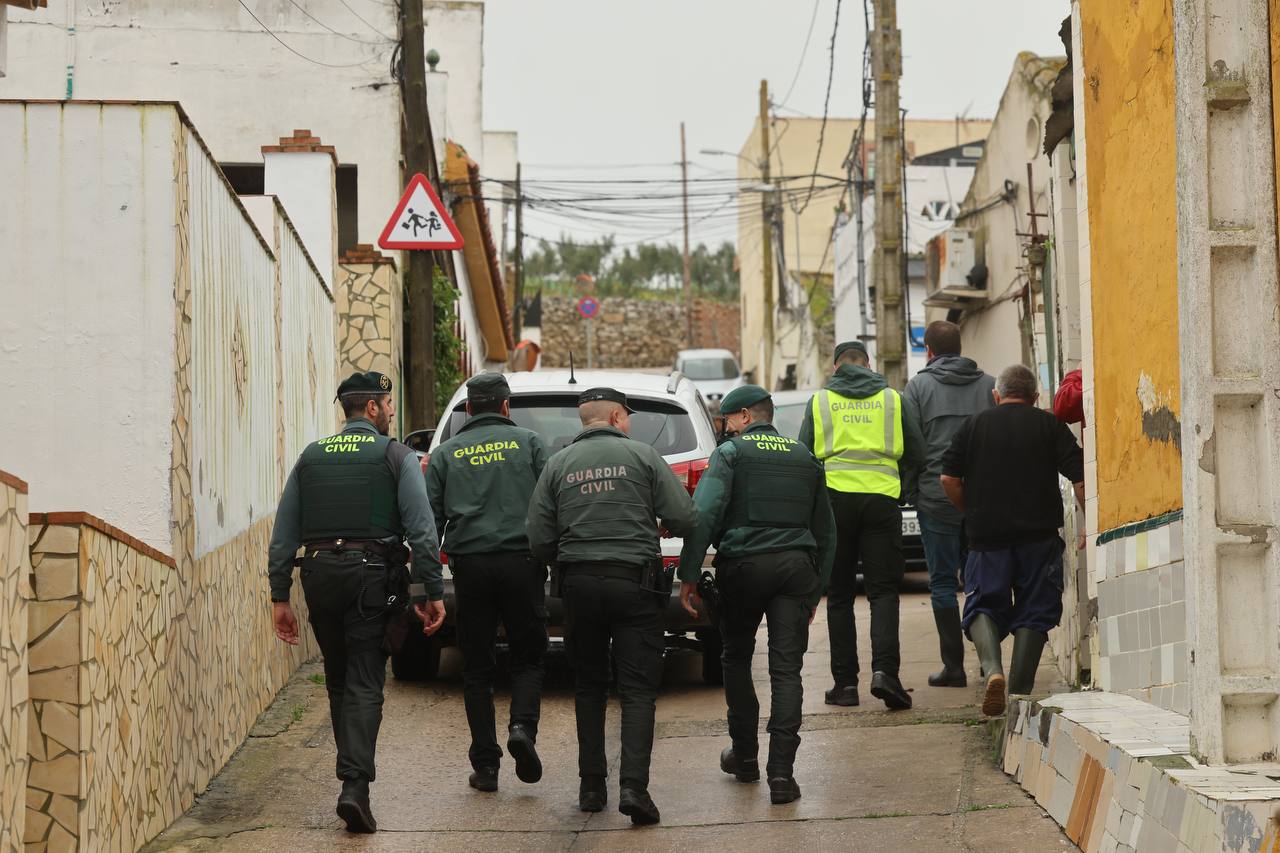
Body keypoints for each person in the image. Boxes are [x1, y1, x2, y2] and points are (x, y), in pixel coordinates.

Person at [268, 371, 446, 834]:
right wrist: (429, 591)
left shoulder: (310, 457)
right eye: (387, 403)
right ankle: (354, 787)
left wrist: (279, 594)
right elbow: (423, 531)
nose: (391, 410)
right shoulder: (396, 456)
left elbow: (284, 531)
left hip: (320, 575)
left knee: (338, 678)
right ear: (370, 408)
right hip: (370, 576)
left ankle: (350, 776)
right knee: (366, 678)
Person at [526, 387, 696, 826]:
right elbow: (684, 516)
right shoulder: (643, 457)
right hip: (636, 586)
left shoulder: (558, 464)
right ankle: (635, 790)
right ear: (618, 416)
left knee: (589, 686)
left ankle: (591, 787)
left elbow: (539, 539)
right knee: (638, 690)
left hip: (579, 586)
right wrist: (655, 523)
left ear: (584, 420)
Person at [677, 385, 835, 805]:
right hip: (796, 568)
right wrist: (817, 589)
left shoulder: (731, 455)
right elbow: (826, 531)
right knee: (787, 670)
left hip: (745, 567)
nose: (726, 429)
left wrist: (689, 573)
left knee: (736, 656)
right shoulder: (804, 456)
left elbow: (704, 515)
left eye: (728, 421)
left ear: (745, 416)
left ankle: (745, 756)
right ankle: (782, 775)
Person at [426, 373, 550, 793]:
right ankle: (521, 729)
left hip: (471, 567)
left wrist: (424, 584)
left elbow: (430, 522)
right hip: (522, 563)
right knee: (528, 656)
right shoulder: (531, 444)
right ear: (505, 406)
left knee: (477, 667)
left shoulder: (444, 454)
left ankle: (487, 766)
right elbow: (550, 507)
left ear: (467, 409)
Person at [940, 364, 1085, 718]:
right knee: (1036, 611)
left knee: (981, 604)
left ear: (996, 395)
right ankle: (1019, 696)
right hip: (1039, 539)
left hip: (987, 539)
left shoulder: (972, 426)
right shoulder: (1049, 425)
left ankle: (993, 671)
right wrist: (1088, 528)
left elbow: (948, 479)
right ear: (1036, 397)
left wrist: (970, 510)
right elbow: (1081, 479)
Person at [799, 341, 923, 711]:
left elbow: (805, 456)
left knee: (839, 595)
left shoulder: (821, 401)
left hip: (835, 504)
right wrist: (899, 484)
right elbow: (919, 452)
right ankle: (886, 674)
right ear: (868, 365)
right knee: (883, 592)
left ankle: (845, 685)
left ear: (836, 367)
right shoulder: (891, 399)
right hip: (882, 502)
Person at [902, 321, 995, 688]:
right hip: (981, 501)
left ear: (929, 351)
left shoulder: (918, 387)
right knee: (981, 580)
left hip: (935, 498)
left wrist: (914, 494)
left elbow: (911, 448)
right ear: (960, 347)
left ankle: (953, 668)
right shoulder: (989, 385)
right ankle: (990, 664)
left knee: (941, 583)